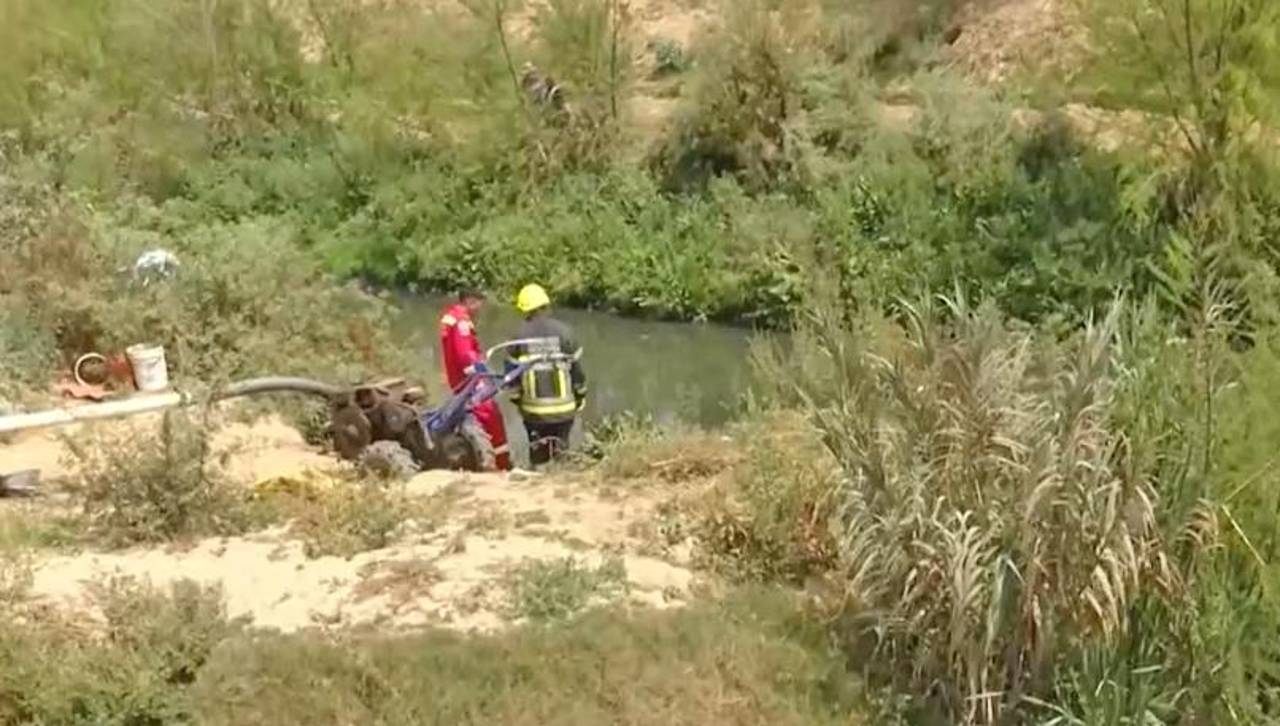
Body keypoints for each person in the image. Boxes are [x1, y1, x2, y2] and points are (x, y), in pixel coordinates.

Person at [504, 284, 587, 466]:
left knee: (538, 455)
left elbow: (511, 381)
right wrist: (580, 396)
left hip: (534, 413)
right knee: (561, 452)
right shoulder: (566, 332)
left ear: (524, 309)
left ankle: (537, 479)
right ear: (546, 305)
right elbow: (577, 373)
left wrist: (519, 403)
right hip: (564, 411)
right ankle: (562, 481)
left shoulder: (517, 337)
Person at [439, 289, 510, 470]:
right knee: (490, 414)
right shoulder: (461, 321)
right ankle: (502, 463)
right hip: (468, 380)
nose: (480, 307)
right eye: (479, 302)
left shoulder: (451, 316)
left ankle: (494, 459)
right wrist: (480, 371)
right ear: (469, 300)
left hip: (459, 380)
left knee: (483, 413)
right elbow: (465, 354)